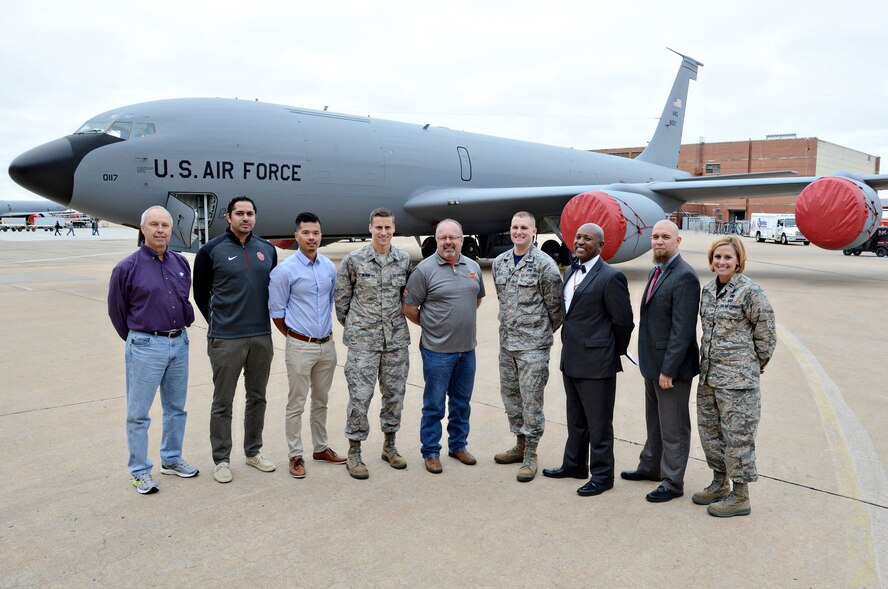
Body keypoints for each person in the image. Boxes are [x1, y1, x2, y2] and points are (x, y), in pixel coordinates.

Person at [107, 206, 198, 494]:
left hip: (179, 342)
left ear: (171, 230)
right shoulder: (126, 268)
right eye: (154, 224)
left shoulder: (180, 263)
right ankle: (139, 471)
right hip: (146, 345)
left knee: (176, 408)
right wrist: (139, 339)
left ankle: (171, 458)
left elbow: (183, 299)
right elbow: (117, 312)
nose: (160, 230)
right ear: (142, 229)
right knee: (138, 413)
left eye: (165, 225)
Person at [542, 223, 634, 497]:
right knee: (576, 418)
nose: (581, 241)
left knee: (599, 423)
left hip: (598, 363)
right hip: (571, 358)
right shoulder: (570, 271)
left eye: (588, 238)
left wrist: (609, 351)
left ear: (601, 245)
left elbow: (623, 322)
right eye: (578, 237)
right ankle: (574, 465)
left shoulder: (611, 277)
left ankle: (602, 475)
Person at [193, 196, 278, 484]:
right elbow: (200, 294)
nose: (245, 218)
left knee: (257, 397)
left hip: (261, 337)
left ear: (255, 217)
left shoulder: (267, 250)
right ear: (228, 217)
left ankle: (253, 451)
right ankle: (221, 459)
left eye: (250, 213)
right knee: (223, 401)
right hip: (226, 338)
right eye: (239, 213)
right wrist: (220, 322)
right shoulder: (210, 251)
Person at [695, 235, 776, 517]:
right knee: (711, 433)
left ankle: (741, 495)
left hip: (738, 383)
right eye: (717, 257)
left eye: (728, 257)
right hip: (709, 378)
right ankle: (720, 483)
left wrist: (749, 367)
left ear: (738, 260)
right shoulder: (708, 290)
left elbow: (766, 337)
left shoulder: (750, 292)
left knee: (738, 438)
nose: (722, 262)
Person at [621, 220, 700, 502]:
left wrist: (669, 370)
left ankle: (672, 482)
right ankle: (651, 467)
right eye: (655, 236)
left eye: (666, 237)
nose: (659, 241)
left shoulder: (684, 276)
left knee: (673, 427)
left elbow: (682, 330)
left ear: (678, 242)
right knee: (654, 422)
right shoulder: (658, 270)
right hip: (653, 364)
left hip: (671, 369)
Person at [403, 219, 485, 474]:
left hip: (467, 350)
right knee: (434, 405)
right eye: (443, 238)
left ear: (462, 239)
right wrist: (431, 326)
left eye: (453, 237)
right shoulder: (423, 271)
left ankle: (458, 446)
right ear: (436, 240)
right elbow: (409, 308)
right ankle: (430, 451)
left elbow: (476, 299)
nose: (448, 242)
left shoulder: (473, 267)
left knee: (462, 403)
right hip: (437, 352)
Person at [334, 208, 411, 479]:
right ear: (370, 228)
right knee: (360, 397)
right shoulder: (354, 260)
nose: (383, 232)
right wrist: (359, 328)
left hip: (395, 341)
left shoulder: (403, 260)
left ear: (394, 229)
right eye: (379, 227)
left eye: (388, 227)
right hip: (362, 343)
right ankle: (354, 451)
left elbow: (407, 296)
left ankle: (389, 446)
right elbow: (341, 301)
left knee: (394, 396)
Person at [268, 212, 346, 479]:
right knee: (296, 403)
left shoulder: (328, 267)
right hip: (300, 345)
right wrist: (295, 337)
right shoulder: (284, 271)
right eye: (306, 233)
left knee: (321, 400)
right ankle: (295, 455)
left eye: (316, 233)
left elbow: (331, 302)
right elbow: (277, 312)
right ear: (296, 236)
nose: (311, 237)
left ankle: (321, 448)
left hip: (327, 346)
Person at [491, 212, 563, 482]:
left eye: (524, 227)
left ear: (534, 232)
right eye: (515, 227)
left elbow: (555, 309)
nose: (518, 232)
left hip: (533, 346)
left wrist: (538, 333)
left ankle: (531, 454)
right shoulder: (500, 263)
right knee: (511, 398)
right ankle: (519, 445)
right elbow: (503, 300)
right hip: (507, 344)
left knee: (532, 402)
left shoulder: (545, 265)